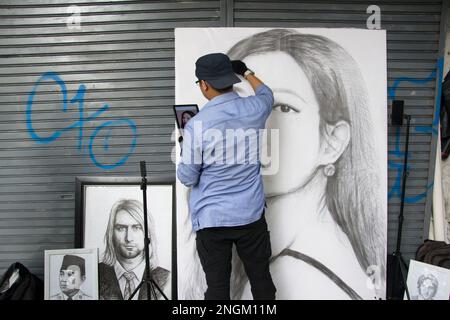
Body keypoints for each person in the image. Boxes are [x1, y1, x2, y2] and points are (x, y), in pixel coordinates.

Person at [224, 28, 386, 300]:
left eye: (283, 108)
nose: (252, 125)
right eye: (238, 104)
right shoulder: (298, 252)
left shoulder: (296, 274)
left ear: (332, 141)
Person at [177, 52, 276, 300]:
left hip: (212, 219)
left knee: (218, 288)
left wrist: (184, 149)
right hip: (250, 215)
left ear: (204, 84)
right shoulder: (255, 109)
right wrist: (247, 72)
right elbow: (267, 95)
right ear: (231, 80)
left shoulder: (196, 125)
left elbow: (188, 177)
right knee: (262, 281)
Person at [99, 199, 169, 300]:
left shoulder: (166, 279)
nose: (129, 238)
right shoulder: (95, 275)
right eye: (121, 228)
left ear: (148, 233)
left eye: (136, 228)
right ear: (111, 234)